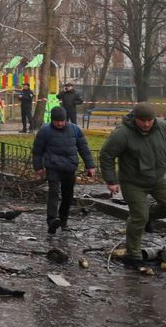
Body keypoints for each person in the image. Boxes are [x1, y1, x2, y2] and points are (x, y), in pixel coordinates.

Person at [99, 102, 166, 266]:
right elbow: (107, 155)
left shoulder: (162, 128)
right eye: (142, 120)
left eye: (149, 120)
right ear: (135, 118)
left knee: (148, 214)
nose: (146, 124)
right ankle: (133, 255)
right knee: (139, 216)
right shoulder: (123, 134)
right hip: (133, 182)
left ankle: (149, 217)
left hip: (157, 178)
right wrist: (111, 181)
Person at [32, 106, 96, 234]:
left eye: (62, 121)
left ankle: (63, 220)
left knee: (68, 195)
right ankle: (52, 220)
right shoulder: (45, 131)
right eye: (57, 121)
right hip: (53, 167)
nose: (60, 123)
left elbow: (83, 148)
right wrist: (38, 167)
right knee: (54, 193)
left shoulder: (75, 130)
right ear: (52, 120)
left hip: (69, 167)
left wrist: (90, 165)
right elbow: (37, 151)